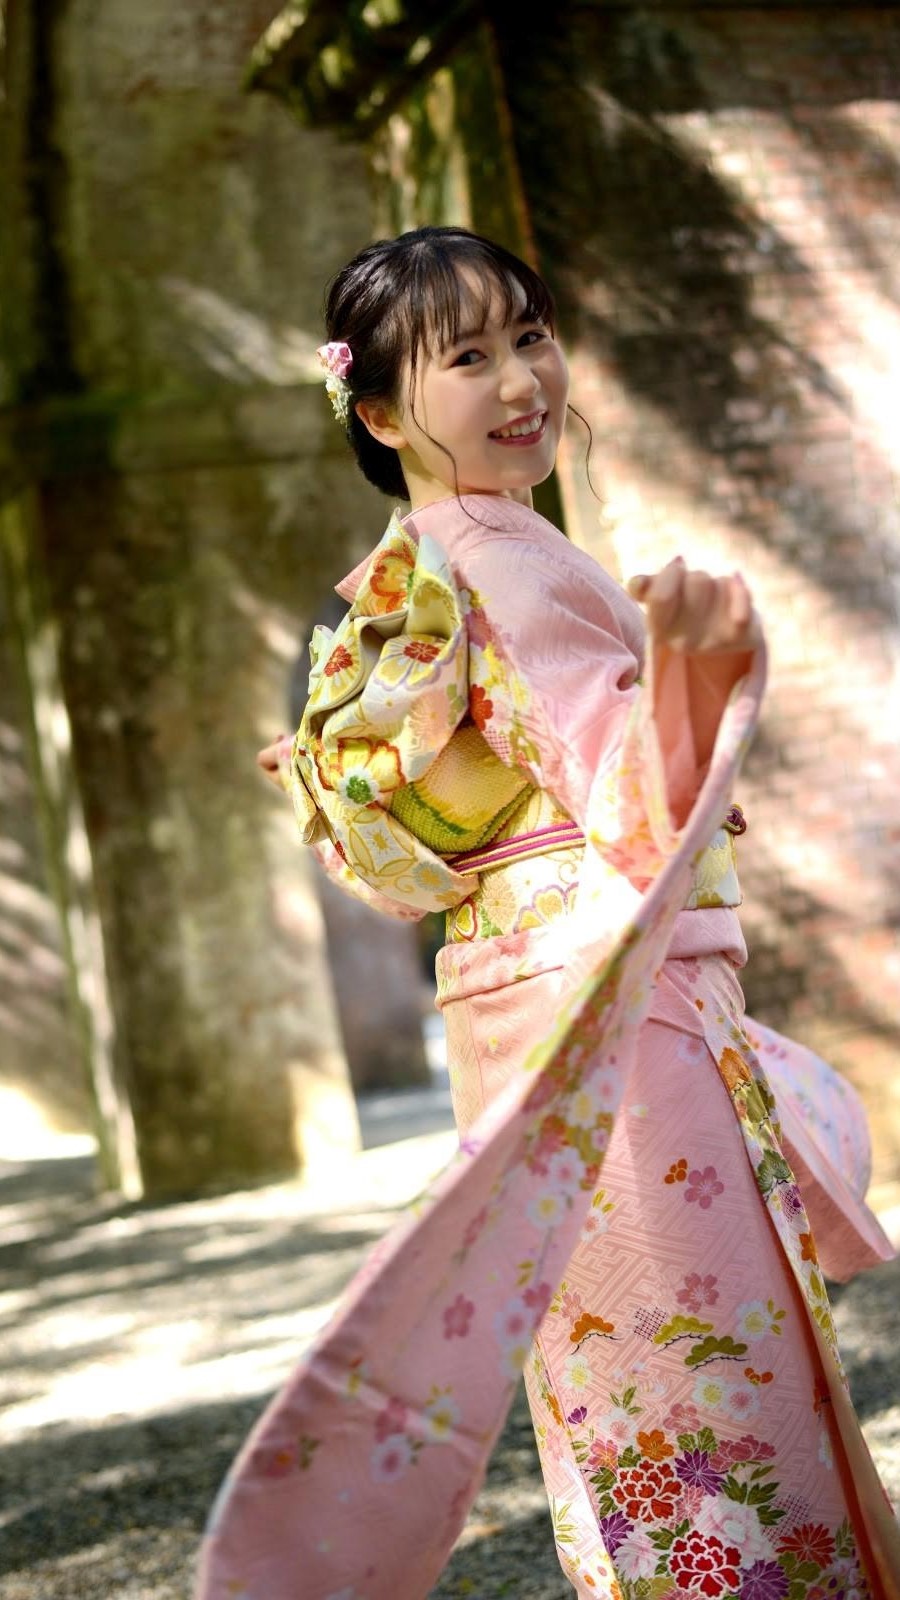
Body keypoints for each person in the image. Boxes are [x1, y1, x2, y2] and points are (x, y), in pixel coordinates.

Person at [197, 227, 899, 1600]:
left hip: (518, 1001)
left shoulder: (423, 564)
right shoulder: (508, 561)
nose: (523, 380)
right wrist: (696, 674)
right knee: (716, 1364)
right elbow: (632, 811)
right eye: (469, 358)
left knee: (619, 1376)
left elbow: (425, 834)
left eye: (532, 336)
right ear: (381, 413)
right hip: (618, 1008)